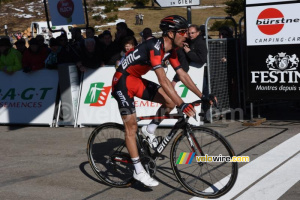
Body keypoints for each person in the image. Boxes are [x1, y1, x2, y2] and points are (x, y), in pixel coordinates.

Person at [111, 15, 211, 187]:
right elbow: (163, 80)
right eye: (182, 32)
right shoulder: (155, 47)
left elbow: (182, 75)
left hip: (135, 79)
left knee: (169, 103)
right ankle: (138, 171)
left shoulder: (171, 50)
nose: (186, 35)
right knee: (131, 127)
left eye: (187, 32)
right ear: (170, 34)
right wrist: (182, 104)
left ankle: (149, 130)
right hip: (121, 81)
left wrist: (202, 96)